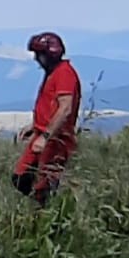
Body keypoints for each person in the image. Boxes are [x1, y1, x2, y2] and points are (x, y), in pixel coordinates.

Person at [14, 31, 82, 205]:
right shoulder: (53, 73)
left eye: (39, 54)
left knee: (43, 187)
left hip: (55, 139)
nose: (36, 59)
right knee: (21, 178)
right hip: (43, 134)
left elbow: (65, 108)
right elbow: (51, 106)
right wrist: (34, 125)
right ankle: (40, 209)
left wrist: (45, 137)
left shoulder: (64, 74)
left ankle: (45, 213)